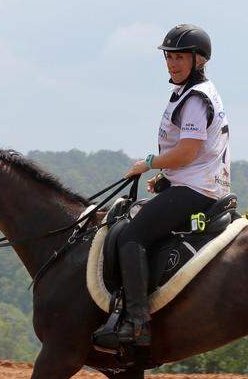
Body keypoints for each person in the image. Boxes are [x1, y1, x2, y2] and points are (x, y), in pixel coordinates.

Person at [93, 23, 231, 351]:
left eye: (180, 57)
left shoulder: (196, 99)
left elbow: (188, 151)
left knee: (132, 234)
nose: (172, 63)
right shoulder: (187, 92)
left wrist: (150, 163)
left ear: (199, 60)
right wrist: (167, 177)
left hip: (198, 190)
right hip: (193, 182)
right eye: (169, 57)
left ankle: (137, 323)